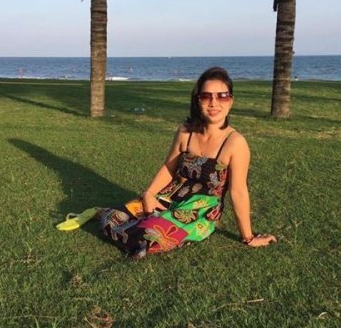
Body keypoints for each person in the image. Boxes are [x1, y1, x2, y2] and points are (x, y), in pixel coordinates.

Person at [57, 67, 277, 259]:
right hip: (170, 195)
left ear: (231, 101)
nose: (214, 103)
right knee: (113, 217)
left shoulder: (235, 143)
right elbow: (169, 167)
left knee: (153, 235)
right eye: (206, 96)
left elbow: (238, 192)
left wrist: (248, 237)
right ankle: (100, 213)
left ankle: (144, 234)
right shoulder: (185, 132)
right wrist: (149, 194)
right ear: (197, 100)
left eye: (222, 96)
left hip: (200, 210)